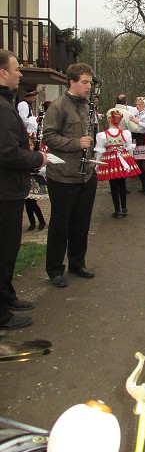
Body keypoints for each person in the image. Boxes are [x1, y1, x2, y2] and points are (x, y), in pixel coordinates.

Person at [0, 49, 48, 329]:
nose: (20, 73)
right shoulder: (3, 107)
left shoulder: (7, 103)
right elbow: (6, 153)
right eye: (16, 69)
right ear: (2, 72)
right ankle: (2, 313)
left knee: (10, 247)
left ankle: (7, 296)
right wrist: (36, 158)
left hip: (9, 189)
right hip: (4, 191)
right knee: (5, 250)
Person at [42, 63, 97, 288]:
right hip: (63, 176)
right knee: (60, 225)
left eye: (90, 83)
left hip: (86, 174)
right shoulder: (58, 106)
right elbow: (48, 136)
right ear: (72, 82)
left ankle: (77, 263)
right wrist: (76, 143)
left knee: (81, 223)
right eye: (84, 82)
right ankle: (55, 269)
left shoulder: (87, 106)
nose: (88, 86)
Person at [95, 109, 141, 218]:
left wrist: (97, 164)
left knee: (113, 186)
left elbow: (100, 151)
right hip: (123, 159)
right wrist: (130, 160)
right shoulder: (125, 133)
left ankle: (117, 210)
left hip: (111, 160)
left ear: (109, 120)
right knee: (122, 184)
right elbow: (129, 148)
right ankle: (124, 208)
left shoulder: (103, 135)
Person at [24, 135, 47, 231]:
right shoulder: (24, 156)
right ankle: (32, 223)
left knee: (32, 203)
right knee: (27, 204)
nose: (28, 147)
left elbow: (44, 168)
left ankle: (41, 221)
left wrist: (36, 169)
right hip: (25, 181)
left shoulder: (37, 155)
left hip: (34, 182)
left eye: (30, 145)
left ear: (34, 145)